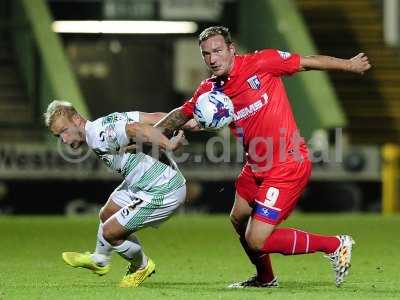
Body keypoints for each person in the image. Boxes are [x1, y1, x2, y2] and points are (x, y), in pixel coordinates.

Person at [155, 26, 371, 288]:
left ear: (231, 49)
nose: (212, 59)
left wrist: (349, 65)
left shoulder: (262, 62)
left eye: (217, 51)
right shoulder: (209, 91)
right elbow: (184, 116)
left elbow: (309, 62)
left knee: (257, 239)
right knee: (238, 219)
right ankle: (265, 279)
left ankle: (336, 245)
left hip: (287, 164)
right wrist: (152, 135)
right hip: (255, 165)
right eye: (206, 54)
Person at [44, 100, 187, 288]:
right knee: (106, 214)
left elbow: (137, 129)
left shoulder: (99, 135)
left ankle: (141, 266)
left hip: (164, 190)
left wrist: (168, 145)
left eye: (64, 131)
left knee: (110, 232)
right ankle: (99, 259)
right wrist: (186, 120)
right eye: (58, 136)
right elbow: (153, 118)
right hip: (142, 183)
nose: (63, 139)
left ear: (77, 119)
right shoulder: (105, 123)